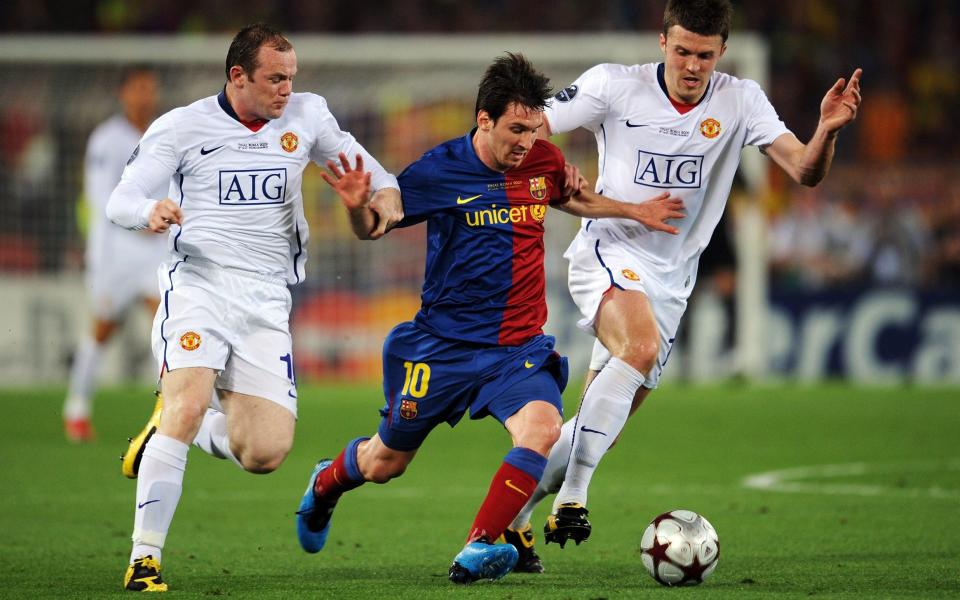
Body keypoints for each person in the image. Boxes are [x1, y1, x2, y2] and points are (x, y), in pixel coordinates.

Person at [294, 53, 683, 585]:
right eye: (515, 129)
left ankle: (477, 547)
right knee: (386, 462)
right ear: (484, 120)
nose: (526, 142)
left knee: (543, 430)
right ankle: (324, 485)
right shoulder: (439, 170)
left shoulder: (542, 160)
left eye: (533, 129)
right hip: (443, 347)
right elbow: (375, 226)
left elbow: (571, 198)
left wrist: (635, 211)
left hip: (516, 349)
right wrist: (359, 207)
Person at [504, 0, 863, 570]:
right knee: (637, 351)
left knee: (601, 426)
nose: (691, 65)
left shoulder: (740, 100)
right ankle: (572, 497)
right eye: (681, 51)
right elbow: (527, 127)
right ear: (661, 42)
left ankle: (506, 522)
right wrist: (553, 164)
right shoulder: (613, 87)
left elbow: (804, 171)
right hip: (608, 248)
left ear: (721, 52)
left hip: (671, 282)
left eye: (703, 55)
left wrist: (826, 131)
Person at [106, 24, 402, 592]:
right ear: (237, 76)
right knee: (188, 404)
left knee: (264, 453)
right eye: (275, 78)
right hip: (200, 286)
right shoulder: (182, 126)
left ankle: (170, 427)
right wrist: (150, 211)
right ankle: (145, 557)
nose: (286, 89)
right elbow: (122, 198)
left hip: (268, 297)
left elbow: (375, 176)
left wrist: (378, 197)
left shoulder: (308, 116)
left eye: (291, 77)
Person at [63, 67, 165, 443]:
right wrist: (98, 256)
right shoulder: (107, 139)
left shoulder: (163, 133)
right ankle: (76, 407)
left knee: (166, 329)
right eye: (139, 88)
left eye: (150, 89)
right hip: (118, 251)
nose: (145, 96)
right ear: (124, 93)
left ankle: (169, 413)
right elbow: (99, 200)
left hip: (157, 250)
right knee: (103, 328)